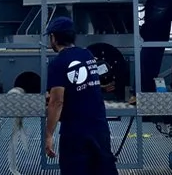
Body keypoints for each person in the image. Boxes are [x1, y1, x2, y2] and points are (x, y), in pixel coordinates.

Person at [44, 16, 118, 175]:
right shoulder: (88, 55)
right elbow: (87, 84)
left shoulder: (58, 63)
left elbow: (57, 102)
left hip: (75, 132)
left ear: (54, 38)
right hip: (99, 129)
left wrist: (49, 135)